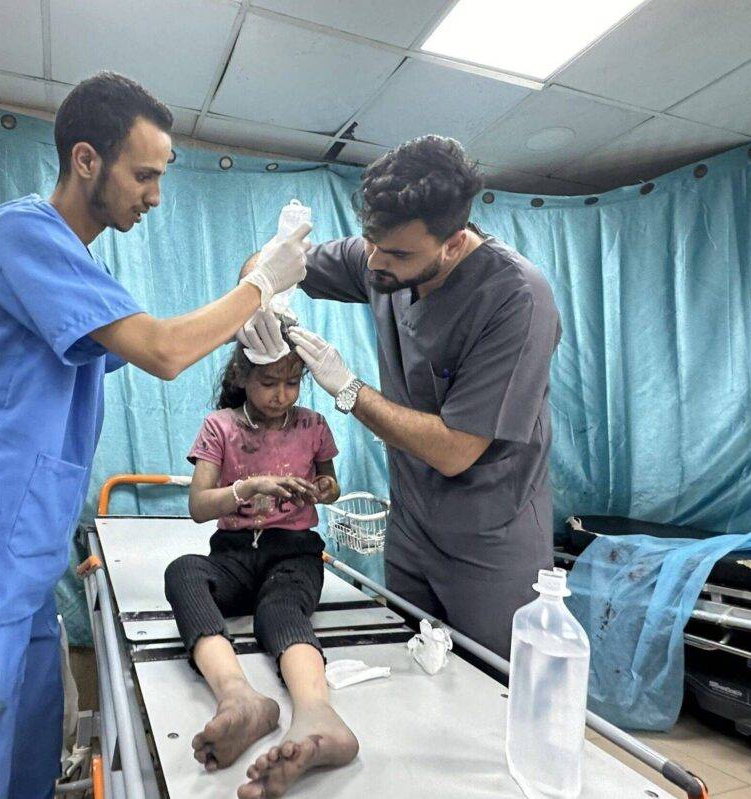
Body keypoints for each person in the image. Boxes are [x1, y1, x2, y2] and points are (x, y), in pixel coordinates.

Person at [0, 72, 311, 799]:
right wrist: (258, 290)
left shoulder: (78, 267)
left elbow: (158, 338)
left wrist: (248, 293)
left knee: (24, 769)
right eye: (143, 175)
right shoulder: (21, 234)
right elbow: (166, 351)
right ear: (87, 160)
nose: (154, 195)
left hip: (18, 572)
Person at [239, 135, 561, 660]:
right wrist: (258, 293)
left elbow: (456, 450)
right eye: (370, 243)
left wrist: (348, 389)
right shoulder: (382, 256)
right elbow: (272, 261)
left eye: (396, 253)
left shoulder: (517, 299)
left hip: (489, 536)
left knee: (491, 688)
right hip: (412, 523)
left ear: (453, 243)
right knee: (409, 665)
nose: (374, 262)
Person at [164, 323, 358, 799]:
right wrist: (246, 488)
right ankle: (240, 698)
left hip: (293, 553)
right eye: (269, 383)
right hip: (233, 555)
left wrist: (324, 489)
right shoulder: (221, 427)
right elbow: (197, 507)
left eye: (292, 383)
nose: (281, 395)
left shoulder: (312, 424)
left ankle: (317, 715)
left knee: (280, 610)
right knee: (184, 571)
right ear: (243, 376)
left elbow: (330, 482)